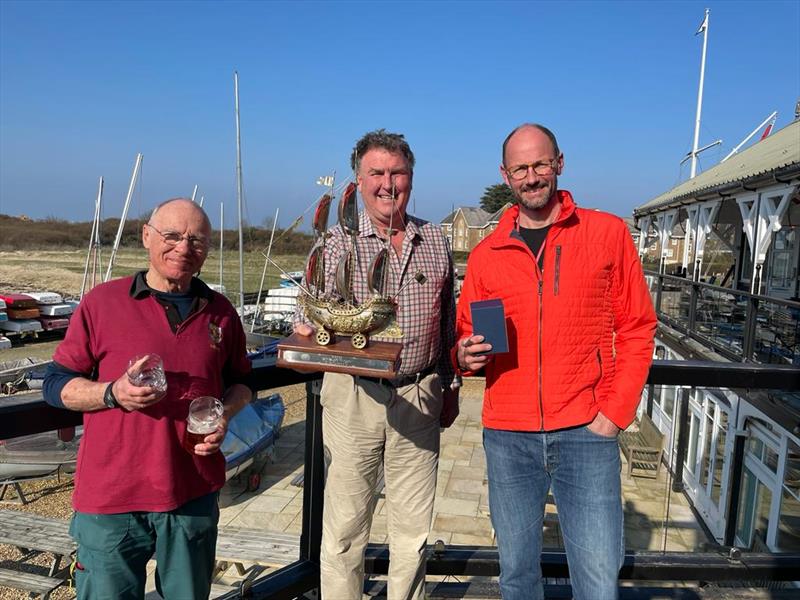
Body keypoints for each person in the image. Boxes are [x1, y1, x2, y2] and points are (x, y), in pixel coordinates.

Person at [455, 123, 657, 600]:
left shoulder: (606, 233)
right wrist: (464, 355)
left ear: (559, 163)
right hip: (507, 435)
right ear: (505, 175)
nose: (532, 177)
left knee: (597, 580)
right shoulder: (485, 255)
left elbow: (638, 327)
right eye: (521, 168)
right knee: (518, 579)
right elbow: (466, 336)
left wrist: (614, 415)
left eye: (540, 164)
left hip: (587, 429)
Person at [43, 198, 253, 600]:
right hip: (111, 496)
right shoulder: (102, 302)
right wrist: (111, 393)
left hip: (192, 490)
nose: (183, 248)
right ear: (146, 237)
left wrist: (224, 413)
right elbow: (56, 383)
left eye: (197, 240)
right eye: (171, 236)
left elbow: (242, 383)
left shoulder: (222, 312)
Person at [294, 129, 460, 600]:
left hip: (419, 396)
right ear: (359, 181)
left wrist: (449, 389)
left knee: (412, 531)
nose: (388, 183)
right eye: (377, 173)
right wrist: (305, 334)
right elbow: (307, 315)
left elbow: (447, 324)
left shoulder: (434, 238)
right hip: (352, 397)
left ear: (411, 177)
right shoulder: (332, 245)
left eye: (397, 173)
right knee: (345, 528)